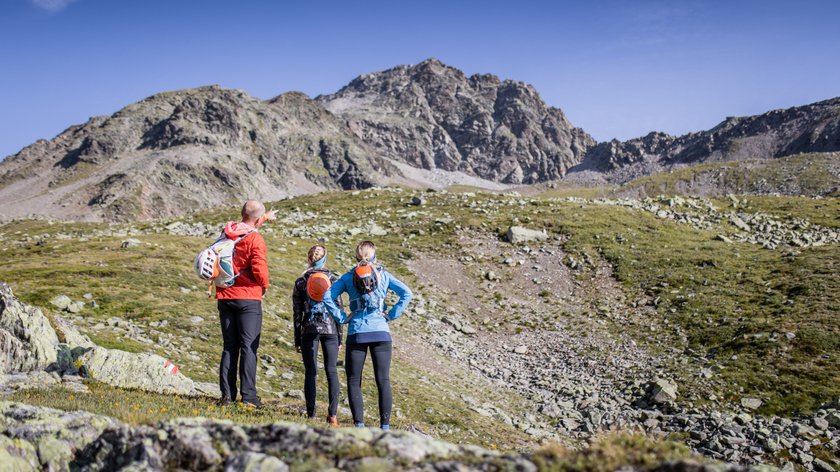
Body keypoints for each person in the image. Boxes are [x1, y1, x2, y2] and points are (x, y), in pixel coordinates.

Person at [322, 241, 413, 429]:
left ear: (356, 257)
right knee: (383, 380)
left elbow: (326, 297)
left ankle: (359, 426)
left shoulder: (348, 277)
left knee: (354, 380)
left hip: (357, 332)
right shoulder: (384, 275)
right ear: (374, 256)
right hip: (381, 331)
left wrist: (341, 317)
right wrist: (391, 315)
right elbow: (407, 294)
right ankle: (385, 427)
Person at [216, 200, 275, 409]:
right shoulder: (255, 239)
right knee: (248, 347)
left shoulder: (227, 232)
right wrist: (264, 286)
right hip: (248, 298)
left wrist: (264, 217)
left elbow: (249, 224)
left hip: (225, 296)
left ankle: (227, 396)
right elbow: (259, 267)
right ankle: (249, 396)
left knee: (229, 347)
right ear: (258, 220)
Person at [292, 245, 344, 427]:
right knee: (331, 371)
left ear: (309, 259)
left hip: (309, 329)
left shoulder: (301, 281)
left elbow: (297, 313)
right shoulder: (333, 280)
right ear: (324, 259)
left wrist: (297, 339)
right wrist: (340, 337)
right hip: (330, 329)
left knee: (311, 372)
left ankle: (311, 414)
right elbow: (338, 310)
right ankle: (333, 415)